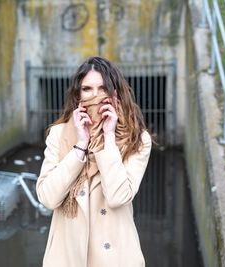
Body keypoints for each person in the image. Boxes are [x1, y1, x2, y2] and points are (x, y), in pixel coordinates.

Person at [36, 56, 152, 267]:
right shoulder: (58, 135)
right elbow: (48, 198)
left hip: (117, 258)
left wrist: (108, 138)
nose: (95, 96)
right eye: (87, 89)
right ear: (78, 95)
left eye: (103, 88)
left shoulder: (136, 139)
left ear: (115, 93)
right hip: (67, 258)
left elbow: (118, 197)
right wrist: (80, 145)